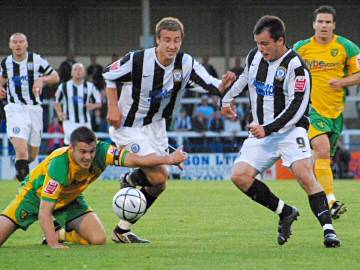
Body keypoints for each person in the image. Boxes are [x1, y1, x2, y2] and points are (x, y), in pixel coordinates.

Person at [103, 17, 235, 243]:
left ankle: (122, 230)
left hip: (156, 126)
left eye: (176, 40)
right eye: (167, 40)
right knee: (160, 174)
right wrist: (113, 107)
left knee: (159, 184)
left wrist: (224, 85)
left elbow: (211, 84)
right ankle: (131, 177)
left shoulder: (186, 64)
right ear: (157, 40)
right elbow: (109, 75)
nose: (172, 45)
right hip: (128, 125)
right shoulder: (137, 60)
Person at [221, 15, 340, 247]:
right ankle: (285, 212)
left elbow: (297, 108)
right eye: (258, 43)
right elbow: (245, 78)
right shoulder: (254, 56)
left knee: (304, 174)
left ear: (280, 40)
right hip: (261, 132)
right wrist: (226, 100)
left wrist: (269, 128)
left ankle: (329, 230)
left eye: (265, 44)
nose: (260, 49)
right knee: (239, 176)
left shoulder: (297, 67)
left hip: (289, 131)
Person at [0, 126, 187, 249]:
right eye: (82, 152)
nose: (88, 157)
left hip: (71, 200)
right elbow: (44, 211)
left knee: (99, 239)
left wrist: (168, 159)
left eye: (91, 151)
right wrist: (53, 245)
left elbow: (137, 159)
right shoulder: (59, 165)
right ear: (71, 148)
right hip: (35, 197)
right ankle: (53, 235)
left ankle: (60, 232)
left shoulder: (104, 152)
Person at [294, 5, 360, 219]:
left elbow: (359, 74)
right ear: (314, 24)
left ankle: (315, 191)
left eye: (327, 22)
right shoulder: (301, 48)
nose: (323, 25)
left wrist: (341, 82)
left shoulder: (346, 47)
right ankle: (330, 201)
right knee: (321, 149)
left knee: (320, 159)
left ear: (334, 25)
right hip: (311, 110)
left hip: (335, 113)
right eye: (320, 21)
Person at [0, 33, 60, 182]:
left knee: (32, 155)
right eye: (15, 42)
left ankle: (20, 171)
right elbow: (1, 79)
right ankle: (25, 191)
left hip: (34, 110)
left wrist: (42, 79)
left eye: (21, 42)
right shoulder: (6, 63)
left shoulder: (36, 60)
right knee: (21, 151)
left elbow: (55, 77)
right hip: (15, 109)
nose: (18, 45)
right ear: (10, 45)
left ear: (26, 44)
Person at [55, 63, 102, 145]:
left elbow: (99, 103)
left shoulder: (90, 86)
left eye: (80, 69)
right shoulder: (64, 86)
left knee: (88, 143)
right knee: (71, 144)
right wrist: (59, 113)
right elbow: (56, 102)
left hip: (85, 121)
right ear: (71, 73)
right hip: (69, 121)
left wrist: (93, 106)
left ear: (84, 72)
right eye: (75, 69)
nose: (78, 72)